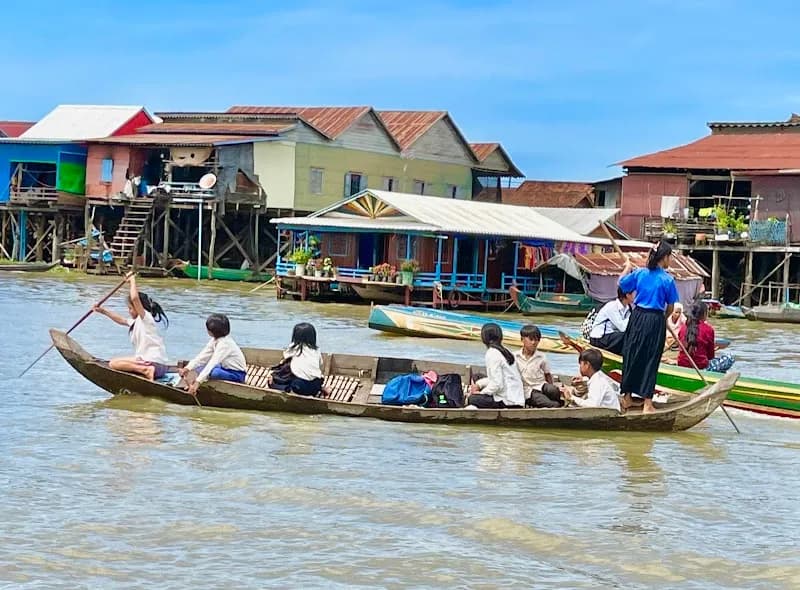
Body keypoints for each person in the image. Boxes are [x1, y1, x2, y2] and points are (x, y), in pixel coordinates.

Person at [618, 241, 680, 413]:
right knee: (651, 359)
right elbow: (670, 307)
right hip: (654, 320)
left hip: (637, 317)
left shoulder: (640, 274)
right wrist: (663, 319)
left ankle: (627, 397)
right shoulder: (667, 279)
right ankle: (647, 403)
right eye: (670, 256)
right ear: (664, 257)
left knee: (632, 355)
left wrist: (627, 267)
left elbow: (622, 284)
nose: (670, 260)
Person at [92, 274, 170, 380]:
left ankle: (146, 370)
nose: (129, 311)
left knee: (113, 363)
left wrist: (132, 280)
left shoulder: (146, 318)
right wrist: (104, 311)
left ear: (138, 308)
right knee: (116, 362)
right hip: (157, 365)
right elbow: (121, 320)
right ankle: (145, 369)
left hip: (155, 364)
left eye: (130, 308)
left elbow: (134, 298)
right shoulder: (137, 322)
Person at [180, 313, 247, 396]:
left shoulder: (225, 344)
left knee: (214, 372)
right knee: (200, 368)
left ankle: (196, 385)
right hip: (224, 369)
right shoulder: (215, 340)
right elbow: (202, 357)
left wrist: (198, 382)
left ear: (211, 331)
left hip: (236, 374)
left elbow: (212, 363)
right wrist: (188, 368)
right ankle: (194, 385)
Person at [467, 323, 525, 409]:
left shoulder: (492, 353)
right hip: (516, 398)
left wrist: (482, 393)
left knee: (472, 399)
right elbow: (497, 379)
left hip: (509, 402)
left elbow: (497, 384)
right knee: (477, 377)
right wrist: (479, 385)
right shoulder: (505, 351)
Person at [677, 301, 735, 373]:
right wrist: (714, 349)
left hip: (682, 364)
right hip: (701, 367)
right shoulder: (708, 329)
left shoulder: (683, 327)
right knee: (729, 358)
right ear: (704, 314)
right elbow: (710, 356)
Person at [514, 325, 563, 408]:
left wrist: (551, 387)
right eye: (531, 339)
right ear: (522, 339)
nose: (533, 343)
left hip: (540, 385)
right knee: (551, 404)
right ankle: (556, 405)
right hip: (527, 390)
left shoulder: (542, 357)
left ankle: (555, 401)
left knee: (553, 390)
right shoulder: (514, 356)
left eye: (536, 340)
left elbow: (547, 374)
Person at [279, 322, 324, 396]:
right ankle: (321, 389)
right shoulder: (316, 350)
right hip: (315, 387)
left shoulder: (293, 348)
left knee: (282, 371)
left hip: (299, 386)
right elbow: (320, 365)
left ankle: (291, 391)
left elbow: (283, 361)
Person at [588, 286, 635, 354]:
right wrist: (634, 316)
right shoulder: (612, 306)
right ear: (627, 295)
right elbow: (623, 328)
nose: (636, 295)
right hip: (599, 338)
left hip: (613, 338)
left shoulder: (628, 308)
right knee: (625, 336)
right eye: (634, 293)